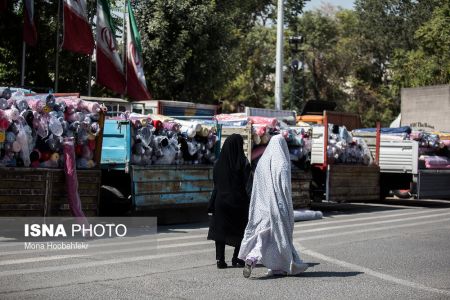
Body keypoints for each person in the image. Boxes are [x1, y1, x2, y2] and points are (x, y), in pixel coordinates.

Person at [238, 134, 309, 277]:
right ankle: (284, 264)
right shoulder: (281, 163)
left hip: (261, 207)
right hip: (278, 206)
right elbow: (284, 187)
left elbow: (256, 187)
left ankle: (253, 258)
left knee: (262, 237)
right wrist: (287, 206)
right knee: (280, 237)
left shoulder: (262, 162)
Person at [207, 134, 251, 269]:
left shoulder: (218, 164)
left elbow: (216, 184)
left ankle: (220, 259)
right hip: (238, 202)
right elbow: (248, 185)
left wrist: (211, 204)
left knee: (220, 230)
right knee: (240, 230)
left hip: (221, 202)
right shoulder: (243, 162)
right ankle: (237, 258)